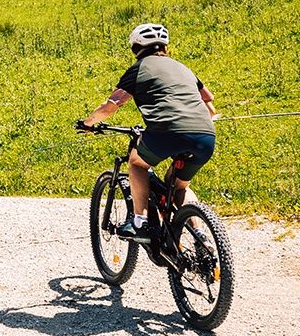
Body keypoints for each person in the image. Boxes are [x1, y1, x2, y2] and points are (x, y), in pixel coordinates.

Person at [78, 23, 218, 240]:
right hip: (205, 137)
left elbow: (112, 105)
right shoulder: (184, 68)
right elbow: (210, 106)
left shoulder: (139, 69)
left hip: (165, 133)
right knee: (180, 186)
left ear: (136, 48)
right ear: (165, 47)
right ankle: (201, 236)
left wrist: (88, 123)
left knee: (137, 163)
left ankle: (139, 223)